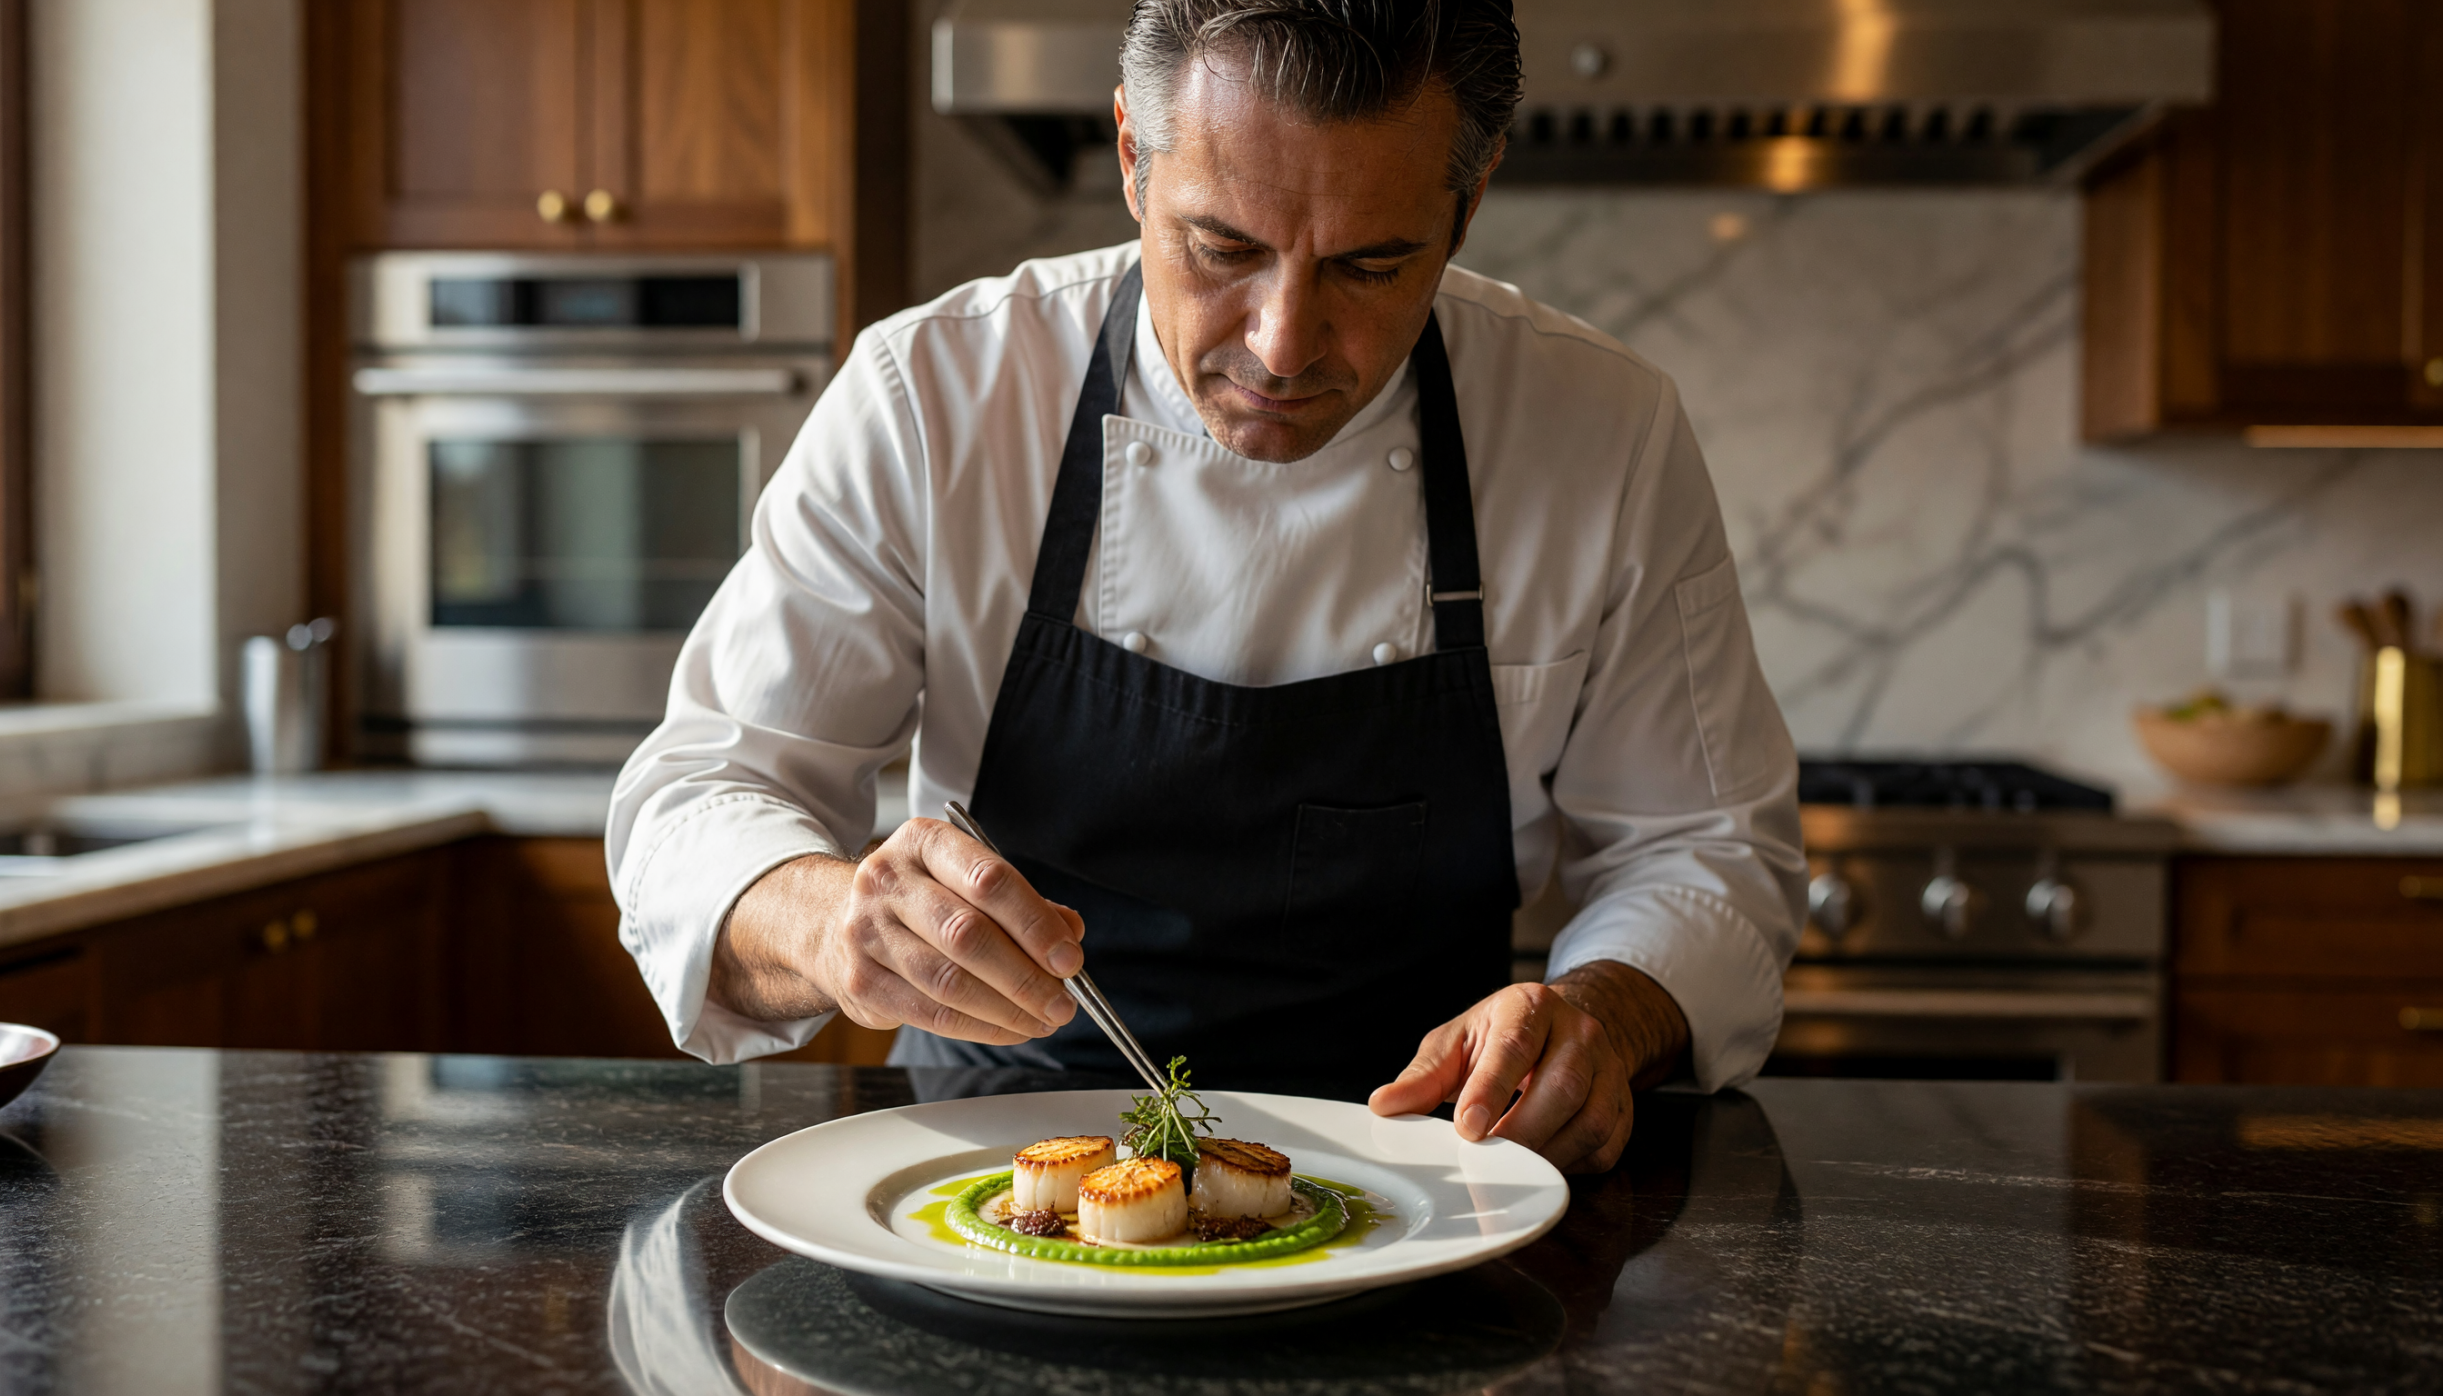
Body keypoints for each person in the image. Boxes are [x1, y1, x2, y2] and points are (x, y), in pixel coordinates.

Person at [607, 0, 1805, 1172]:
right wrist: (827, 923)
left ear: (1469, 198)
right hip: (1000, 1183)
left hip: (1433, 1181)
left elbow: (1703, 851)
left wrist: (1603, 1007)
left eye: (1372, 265)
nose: (1283, 343)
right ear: (1133, 156)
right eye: (1222, 248)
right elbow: (697, 798)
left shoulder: (1601, 428)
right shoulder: (934, 396)